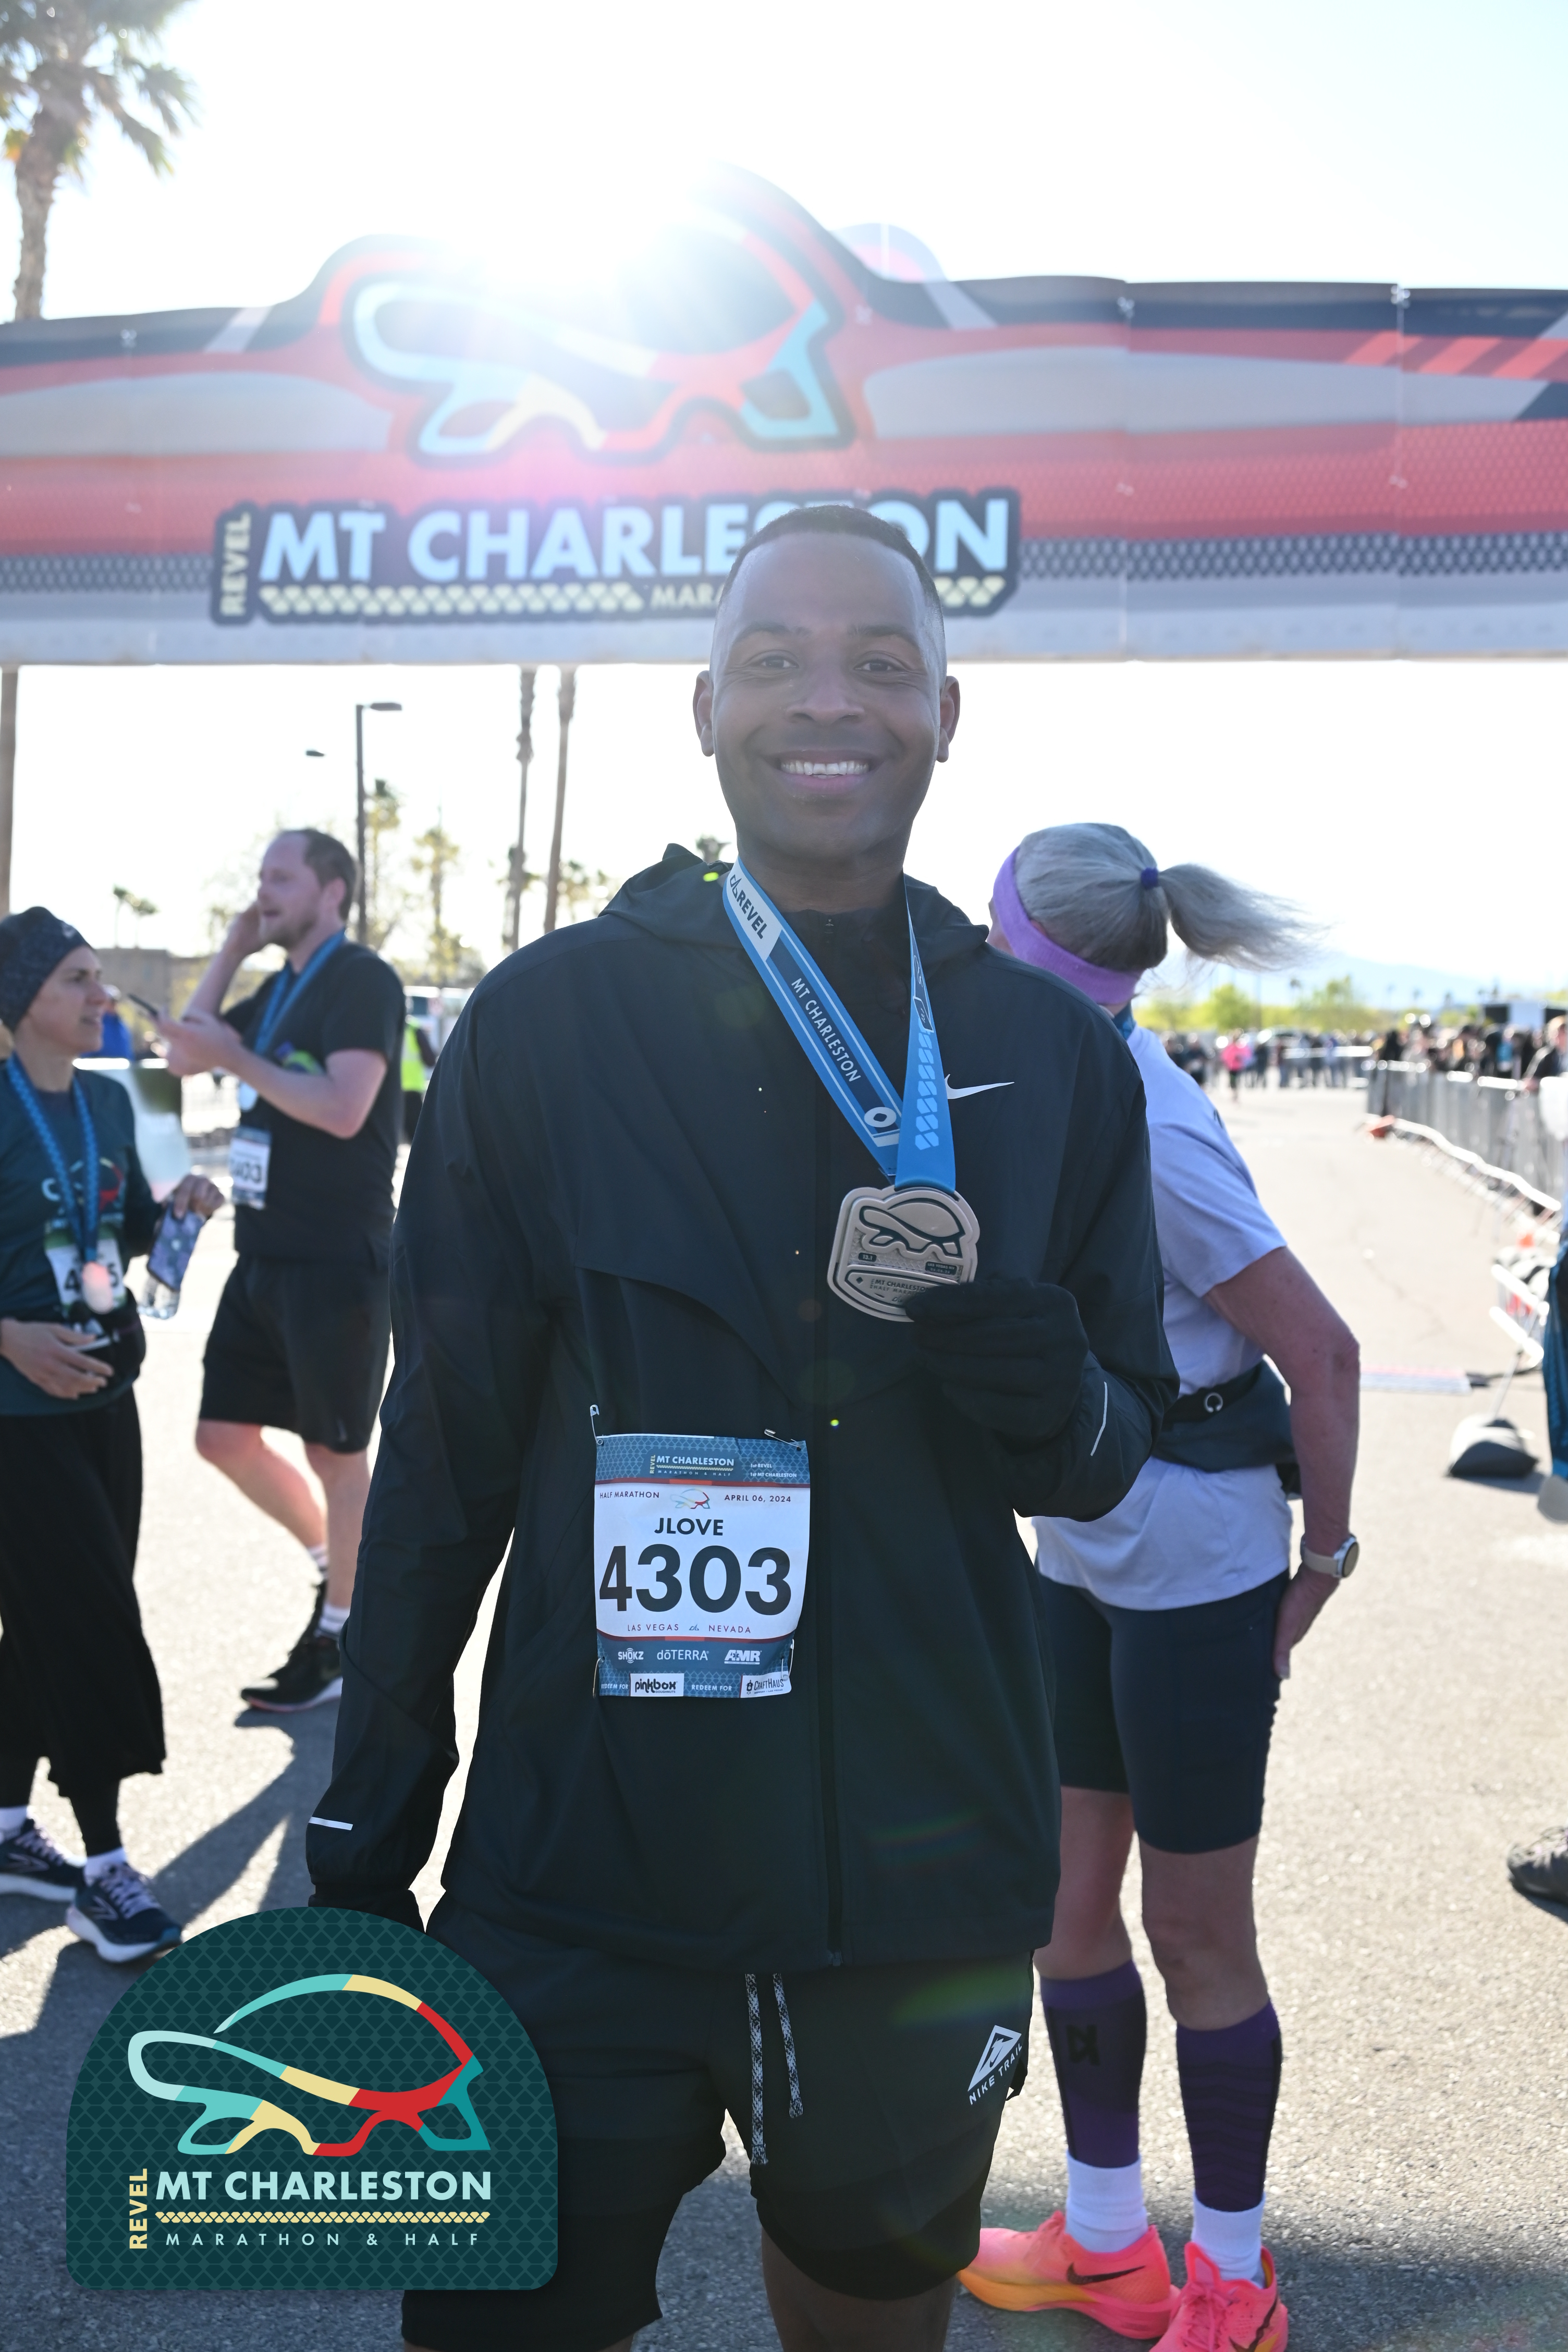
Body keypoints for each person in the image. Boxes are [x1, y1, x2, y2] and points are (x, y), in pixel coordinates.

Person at [308, 504, 1178, 2352]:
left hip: (912, 1890)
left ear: (946, 714)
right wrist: (370, 1821)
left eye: (880, 663)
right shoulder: (549, 1023)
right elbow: (446, 1454)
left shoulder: (1052, 1059)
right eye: (773, 660)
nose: (826, 700)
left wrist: (1050, 1391)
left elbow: (1110, 1457)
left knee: (868, 2316)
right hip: (579, 1870)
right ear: (704, 708)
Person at [961, 825, 1360, 2352]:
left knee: (1194, 1931)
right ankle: (1107, 2239)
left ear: (1030, 957)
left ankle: (1236, 2281)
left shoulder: (1150, 1116)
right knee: (1065, 1908)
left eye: (988, 939)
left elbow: (1319, 1351)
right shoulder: (1043, 1077)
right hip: (1082, 1538)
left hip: (1196, 1557)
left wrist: (1322, 1558)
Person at [0, 909, 223, 1959]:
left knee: (48, 1620)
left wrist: (178, 1212)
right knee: (90, 1622)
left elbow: (118, 1231)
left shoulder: (107, 1100)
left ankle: (7, 1824)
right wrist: (9, 1338)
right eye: (78, 980)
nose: (103, 996)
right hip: (20, 1422)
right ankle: (104, 1868)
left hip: (105, 1403)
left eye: (98, 976)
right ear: (24, 1001)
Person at [159, 830, 405, 1713]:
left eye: (280, 877)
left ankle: (342, 1634)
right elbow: (182, 1054)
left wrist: (235, 1057)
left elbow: (343, 1109)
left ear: (331, 891)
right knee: (222, 1437)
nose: (264, 891)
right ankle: (338, 1569)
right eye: (260, 877)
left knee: (335, 1453)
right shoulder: (275, 986)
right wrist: (231, 949)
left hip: (336, 1260)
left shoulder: (361, 980)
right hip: (262, 1253)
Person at [401, 1003, 437, 1142]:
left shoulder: (388, 1027)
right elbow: (430, 1060)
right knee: (418, 1138)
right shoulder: (414, 1029)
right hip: (412, 1089)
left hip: (392, 1091)